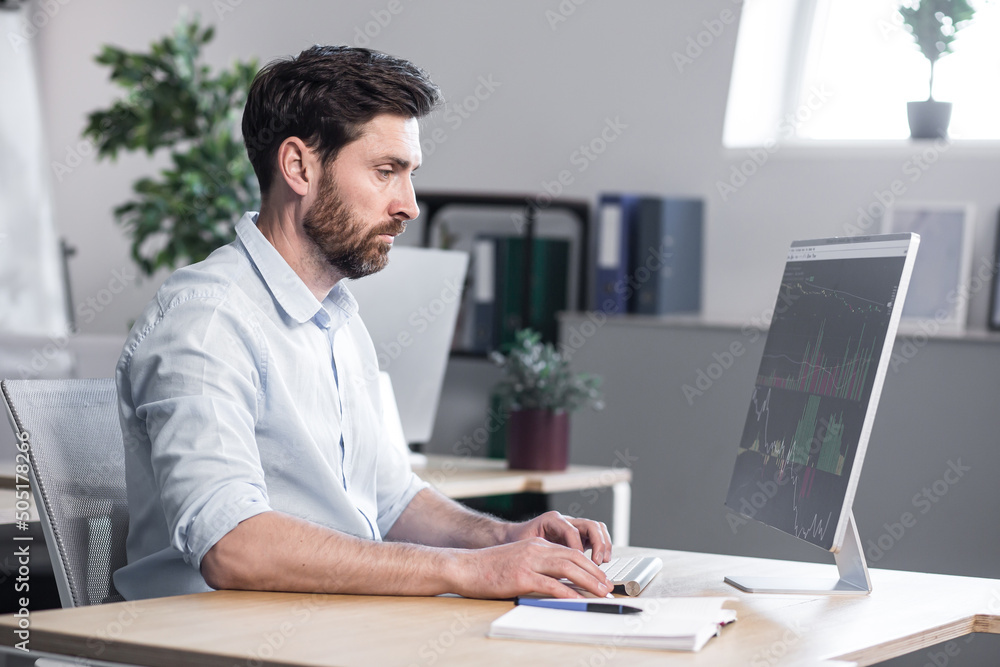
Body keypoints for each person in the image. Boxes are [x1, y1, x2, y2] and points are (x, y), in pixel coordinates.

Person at [114, 45, 614, 601]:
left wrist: (502, 538)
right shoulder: (206, 321)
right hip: (214, 645)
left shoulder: (338, 319)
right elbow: (232, 547)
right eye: (385, 172)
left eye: (410, 174)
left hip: (328, 628)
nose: (410, 205)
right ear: (299, 167)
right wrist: (467, 571)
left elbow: (391, 499)